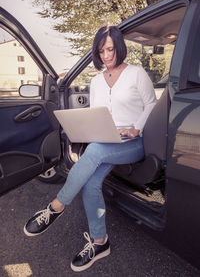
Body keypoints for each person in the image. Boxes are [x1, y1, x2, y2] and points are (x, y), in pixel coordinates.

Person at [24, 25, 156, 272]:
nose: (106, 55)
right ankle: (100, 242)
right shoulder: (95, 81)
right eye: (101, 50)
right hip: (105, 139)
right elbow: (98, 114)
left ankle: (55, 208)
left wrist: (136, 127)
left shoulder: (136, 73)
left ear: (119, 46)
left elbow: (151, 104)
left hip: (134, 142)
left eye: (110, 49)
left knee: (93, 152)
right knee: (91, 182)